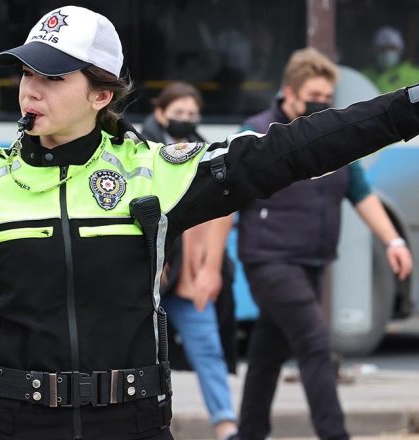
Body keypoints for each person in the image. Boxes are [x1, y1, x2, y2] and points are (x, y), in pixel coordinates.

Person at [0, 5, 419, 439]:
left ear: (101, 95)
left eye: (52, 77)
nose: (29, 89)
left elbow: (295, 149)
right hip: (16, 423)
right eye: (25, 74)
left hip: (130, 422)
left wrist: (413, 107)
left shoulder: (156, 171)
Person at [235, 47, 415, 440]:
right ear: (288, 92)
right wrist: (205, 269)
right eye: (312, 98)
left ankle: (248, 433)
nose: (319, 106)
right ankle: (335, 435)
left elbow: (362, 193)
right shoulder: (255, 134)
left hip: (312, 259)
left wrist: (394, 241)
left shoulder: (332, 139)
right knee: (315, 344)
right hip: (269, 259)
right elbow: (224, 201)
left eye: (327, 100)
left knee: (267, 351)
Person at [141, 82, 239, 440]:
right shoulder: (141, 148)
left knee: (208, 347)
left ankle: (226, 423)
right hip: (146, 275)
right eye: (178, 113)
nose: (186, 120)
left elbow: (218, 213)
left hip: (186, 276)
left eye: (192, 114)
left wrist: (207, 271)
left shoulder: (202, 151)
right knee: (138, 357)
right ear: (159, 112)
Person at [361, 26, 419, 93]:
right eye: (382, 49)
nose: (387, 53)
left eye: (392, 48)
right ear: (374, 51)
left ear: (400, 50)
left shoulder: (415, 74)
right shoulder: (364, 76)